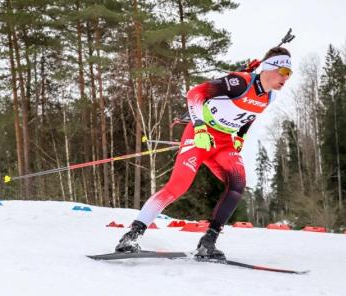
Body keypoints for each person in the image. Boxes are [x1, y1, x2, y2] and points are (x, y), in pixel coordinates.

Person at [115, 47, 292, 259]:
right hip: (200, 135)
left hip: (225, 142)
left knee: (237, 183)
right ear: (270, 68)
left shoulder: (269, 98)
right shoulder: (240, 82)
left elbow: (249, 116)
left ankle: (207, 242)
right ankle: (132, 235)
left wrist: (240, 137)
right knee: (177, 186)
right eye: (284, 72)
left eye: (290, 74)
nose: (287, 78)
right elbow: (195, 93)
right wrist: (199, 126)